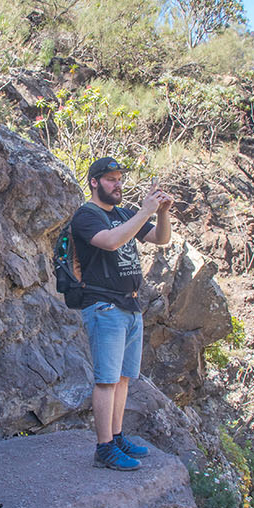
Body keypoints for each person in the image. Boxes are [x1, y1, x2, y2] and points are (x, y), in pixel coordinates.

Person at [71, 156, 172, 471]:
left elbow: (160, 239)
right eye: (111, 178)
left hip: (130, 305)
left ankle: (116, 436)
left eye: (120, 178)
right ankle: (104, 448)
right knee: (106, 380)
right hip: (103, 305)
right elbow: (112, 242)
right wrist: (145, 211)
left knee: (124, 379)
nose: (118, 184)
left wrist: (163, 213)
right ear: (94, 182)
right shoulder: (86, 216)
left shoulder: (125, 214)